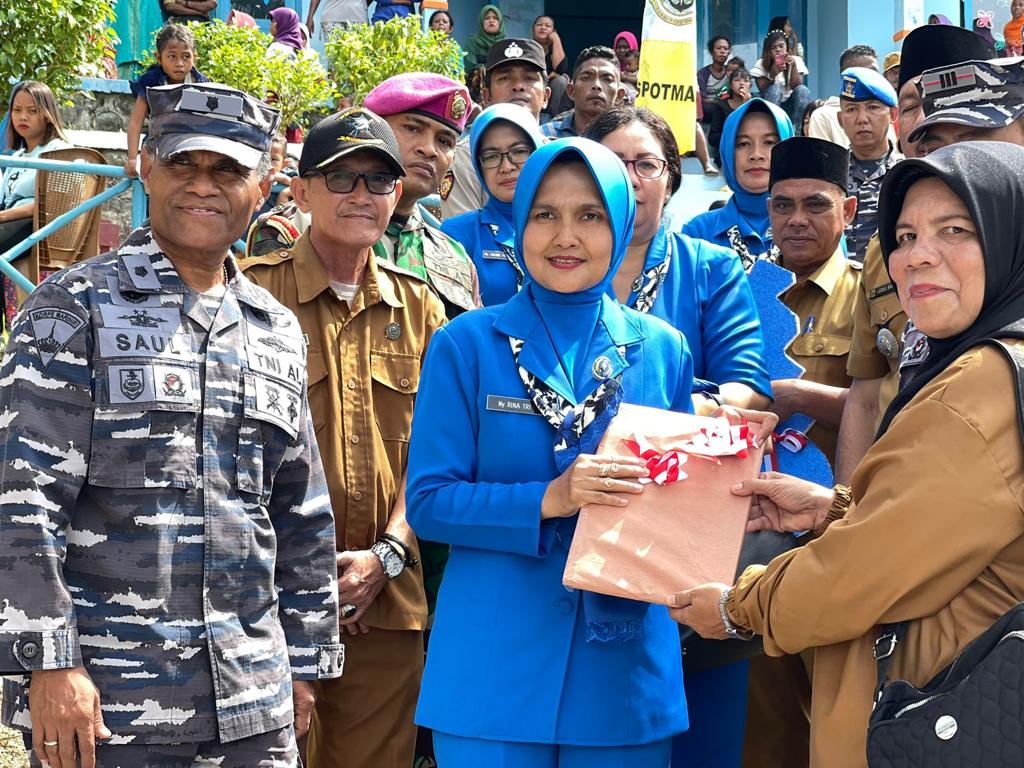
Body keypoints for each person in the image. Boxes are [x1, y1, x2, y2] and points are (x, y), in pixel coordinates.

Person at [0, 81, 343, 767]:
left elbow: (300, 511)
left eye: (228, 169)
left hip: (254, 700)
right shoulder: (73, 311)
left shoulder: (274, 331)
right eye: (183, 163)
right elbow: (21, 500)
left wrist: (302, 664)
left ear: (265, 180)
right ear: (146, 167)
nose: (203, 185)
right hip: (109, 709)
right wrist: (48, 664)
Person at [673, 140, 1024, 768]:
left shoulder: (977, 387)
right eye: (906, 234)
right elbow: (933, 532)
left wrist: (735, 606)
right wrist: (834, 508)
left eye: (955, 230)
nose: (918, 256)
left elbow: (856, 576)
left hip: (929, 714)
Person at [406, 137, 695, 767]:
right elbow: (429, 503)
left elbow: (679, 505)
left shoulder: (662, 349)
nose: (566, 236)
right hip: (492, 672)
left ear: (620, 222)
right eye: (545, 214)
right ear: (518, 220)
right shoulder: (466, 345)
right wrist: (551, 498)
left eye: (590, 215)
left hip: (623, 677)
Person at [241, 106, 444, 768]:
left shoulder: (422, 309)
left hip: (384, 602)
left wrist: (384, 556)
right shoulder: (246, 296)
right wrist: (305, 578)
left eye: (378, 181)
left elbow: (440, 459)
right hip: (260, 602)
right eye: (341, 178)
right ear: (299, 191)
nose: (362, 195)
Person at [834, 26, 999, 486]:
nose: (927, 118)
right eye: (910, 104)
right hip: (891, 500)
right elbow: (866, 393)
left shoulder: (1013, 238)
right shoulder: (884, 249)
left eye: (948, 96)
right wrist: (844, 511)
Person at [586, 106, 770, 413]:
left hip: (681, 451)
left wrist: (666, 414)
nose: (630, 179)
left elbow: (749, 389)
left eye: (646, 165)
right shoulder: (559, 264)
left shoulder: (711, 268)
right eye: (614, 164)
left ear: (670, 184)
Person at [764, 137, 861, 464]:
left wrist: (799, 397)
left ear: (847, 212)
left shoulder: (871, 297)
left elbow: (897, 407)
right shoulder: (740, 293)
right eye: (783, 205)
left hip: (833, 502)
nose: (797, 219)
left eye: (816, 205)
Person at [363, 73, 481, 317]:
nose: (429, 149)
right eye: (413, 128)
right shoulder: (306, 227)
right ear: (373, 129)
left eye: (445, 141)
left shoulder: (456, 258)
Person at [440, 104, 544, 306]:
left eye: (519, 151)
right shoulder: (459, 234)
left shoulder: (565, 226)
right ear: (478, 167)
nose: (506, 167)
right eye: (491, 156)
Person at [440, 38, 549, 220]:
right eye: (505, 78)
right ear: (486, 96)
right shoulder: (465, 156)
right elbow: (461, 243)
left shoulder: (558, 154)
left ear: (546, 96)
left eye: (529, 78)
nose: (518, 86)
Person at [681, 99, 794, 269]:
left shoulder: (812, 228)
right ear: (727, 152)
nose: (756, 154)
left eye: (770, 142)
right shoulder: (698, 233)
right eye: (743, 144)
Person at [124, 24, 207, 178]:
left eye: (186, 56)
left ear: (194, 57)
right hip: (156, 147)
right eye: (172, 56)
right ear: (159, 58)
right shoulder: (151, 82)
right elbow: (135, 122)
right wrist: (132, 157)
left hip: (190, 148)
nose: (179, 63)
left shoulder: (201, 84)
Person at [838, 67, 900, 263]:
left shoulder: (907, 174)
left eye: (873, 107)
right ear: (840, 119)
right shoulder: (828, 176)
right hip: (837, 289)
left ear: (893, 115)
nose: (862, 119)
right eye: (851, 109)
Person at [0, 82, 70, 254]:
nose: (23, 117)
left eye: (32, 111)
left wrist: (3, 216)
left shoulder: (58, 150)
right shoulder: (16, 156)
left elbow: (54, 203)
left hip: (39, 227)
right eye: (17, 110)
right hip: (8, 221)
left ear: (47, 115)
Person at [541, 46, 623, 139]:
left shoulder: (629, 141)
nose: (597, 85)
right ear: (571, 91)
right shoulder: (545, 135)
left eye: (607, 79)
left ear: (619, 95)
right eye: (586, 78)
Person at [807, 45, 879, 148]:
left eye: (876, 73)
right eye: (868, 73)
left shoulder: (883, 111)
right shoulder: (823, 116)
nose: (875, 78)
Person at [749, 31, 810, 131]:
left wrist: (793, 66)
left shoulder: (796, 60)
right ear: (768, 50)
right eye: (773, 47)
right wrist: (772, 73)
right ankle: (773, 128)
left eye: (781, 46)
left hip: (791, 106)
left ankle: (799, 130)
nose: (778, 50)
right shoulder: (761, 63)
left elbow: (797, 86)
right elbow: (762, 88)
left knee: (803, 90)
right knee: (774, 89)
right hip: (770, 105)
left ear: (786, 46)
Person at [708, 67, 752, 164]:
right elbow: (712, 138)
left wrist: (747, 106)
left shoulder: (755, 105)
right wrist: (731, 136)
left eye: (746, 81)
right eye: (737, 80)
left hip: (749, 153)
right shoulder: (721, 106)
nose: (741, 83)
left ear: (750, 86)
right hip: (727, 153)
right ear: (731, 85)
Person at [533, 15, 569, 115]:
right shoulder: (528, 48)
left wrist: (556, 39)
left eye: (547, 26)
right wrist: (547, 76)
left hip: (549, 87)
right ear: (533, 30)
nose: (543, 27)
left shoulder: (555, 49)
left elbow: (561, 69)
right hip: (533, 82)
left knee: (561, 80)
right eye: (539, 25)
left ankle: (557, 118)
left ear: (553, 31)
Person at [698, 36, 732, 120]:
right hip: (709, 113)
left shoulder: (731, 71)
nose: (723, 51)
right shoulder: (703, 74)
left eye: (726, 49)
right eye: (719, 48)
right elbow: (702, 100)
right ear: (711, 51)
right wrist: (721, 103)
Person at [464, 5, 505, 72]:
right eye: (487, 18)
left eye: (495, 18)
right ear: (481, 22)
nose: (491, 21)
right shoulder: (472, 41)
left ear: (500, 22)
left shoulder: (505, 43)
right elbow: (469, 66)